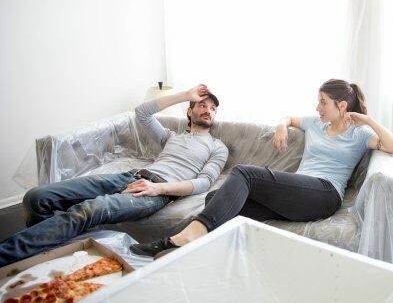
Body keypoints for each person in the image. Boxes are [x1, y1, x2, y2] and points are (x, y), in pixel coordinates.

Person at [130, 79, 393, 258]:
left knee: (245, 173)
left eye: (323, 102)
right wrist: (282, 126)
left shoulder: (360, 134)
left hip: (325, 193)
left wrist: (367, 119)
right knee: (218, 200)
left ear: (341, 106)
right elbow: (289, 118)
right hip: (298, 195)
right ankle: (186, 249)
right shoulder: (317, 124)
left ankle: (185, 239)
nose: (317, 107)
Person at [0, 84, 228, 267]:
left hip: (155, 191)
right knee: (36, 197)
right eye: (202, 105)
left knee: (88, 210)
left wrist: (158, 189)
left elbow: (204, 182)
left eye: (213, 108)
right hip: (128, 176)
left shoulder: (217, 147)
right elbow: (142, 113)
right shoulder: (171, 137)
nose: (208, 110)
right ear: (190, 111)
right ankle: (49, 255)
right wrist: (185, 95)